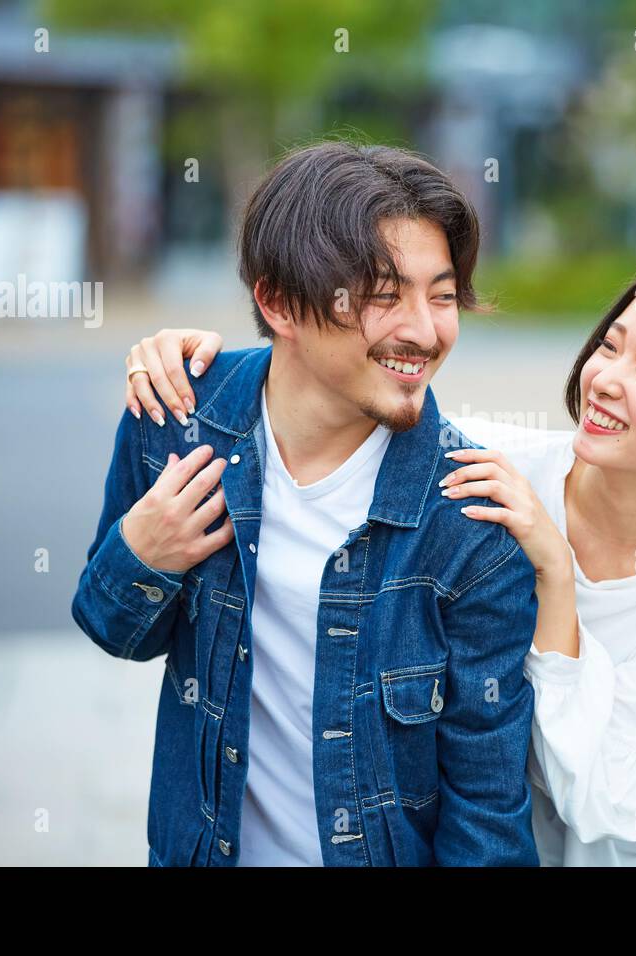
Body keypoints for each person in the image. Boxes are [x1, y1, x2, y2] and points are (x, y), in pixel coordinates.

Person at [125, 257, 636, 865]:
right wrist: (202, 366)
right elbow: (340, 393)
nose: (606, 378)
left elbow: (607, 805)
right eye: (610, 344)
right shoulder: (491, 470)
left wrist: (556, 577)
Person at [71, 140, 541, 867]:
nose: (423, 330)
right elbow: (115, 632)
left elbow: (487, 808)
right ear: (280, 302)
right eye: (384, 296)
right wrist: (142, 554)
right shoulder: (175, 420)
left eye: (442, 295)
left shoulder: (470, 521)